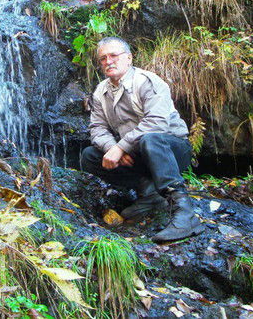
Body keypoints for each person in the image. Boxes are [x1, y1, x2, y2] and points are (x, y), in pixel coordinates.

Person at [80, 36, 204, 242]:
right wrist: (113, 148)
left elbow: (157, 122)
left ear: (128, 58)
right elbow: (97, 128)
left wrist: (122, 147)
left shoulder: (148, 82)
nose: (108, 61)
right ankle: (150, 195)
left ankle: (184, 213)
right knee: (90, 156)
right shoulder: (100, 92)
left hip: (170, 150)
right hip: (137, 153)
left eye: (113, 55)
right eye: (103, 58)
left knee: (150, 139)